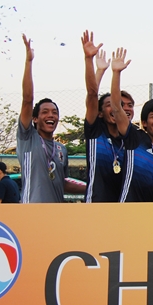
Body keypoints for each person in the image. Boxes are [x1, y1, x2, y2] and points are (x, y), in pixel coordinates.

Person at [17, 35, 84, 203]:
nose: (51, 116)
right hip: (30, 211)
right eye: (45, 112)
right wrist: (29, 62)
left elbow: (62, 182)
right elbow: (27, 99)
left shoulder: (61, 149)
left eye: (54, 113)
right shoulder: (28, 139)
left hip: (55, 216)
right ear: (34, 119)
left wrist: (92, 187)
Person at [110, 47, 153, 202]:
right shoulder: (134, 138)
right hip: (129, 212)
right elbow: (117, 109)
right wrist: (116, 73)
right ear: (144, 122)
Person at [82, 31, 136, 203]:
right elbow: (92, 94)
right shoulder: (95, 131)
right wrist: (92, 63)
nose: (120, 109)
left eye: (128, 105)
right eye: (111, 105)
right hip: (95, 205)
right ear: (100, 112)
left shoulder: (130, 138)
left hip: (122, 209)